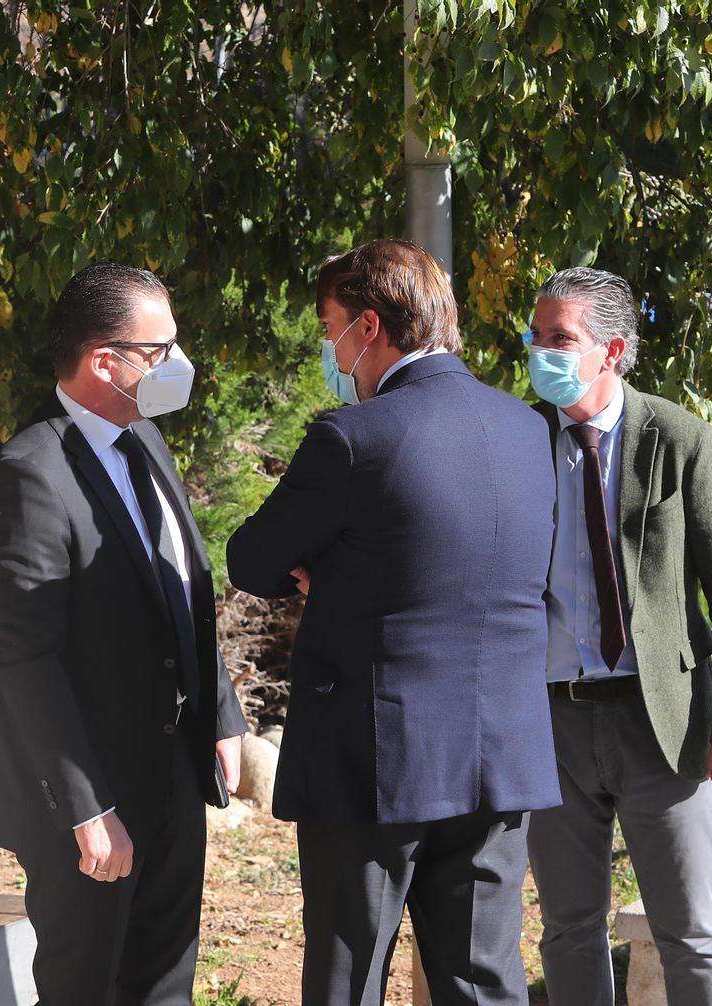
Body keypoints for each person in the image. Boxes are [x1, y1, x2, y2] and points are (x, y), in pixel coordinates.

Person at [226, 238, 560, 1006]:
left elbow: (251, 559)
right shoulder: (529, 431)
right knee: (482, 984)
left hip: (375, 763)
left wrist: (321, 565)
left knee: (350, 978)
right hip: (499, 757)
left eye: (329, 326)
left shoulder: (353, 436)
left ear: (368, 326)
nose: (327, 347)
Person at [0, 262, 248, 1006]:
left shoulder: (144, 441)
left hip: (171, 776)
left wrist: (220, 710)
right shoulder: (30, 474)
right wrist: (88, 810)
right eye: (160, 352)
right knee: (87, 987)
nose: (177, 366)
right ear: (104, 361)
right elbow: (30, 660)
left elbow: (181, 586)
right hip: (89, 802)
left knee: (165, 984)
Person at [523, 266, 712, 1006]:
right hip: (551, 722)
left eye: (560, 338)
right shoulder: (518, 440)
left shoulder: (677, 437)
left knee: (688, 927)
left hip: (663, 719)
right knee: (567, 927)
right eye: (535, 337)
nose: (542, 353)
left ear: (613, 348)